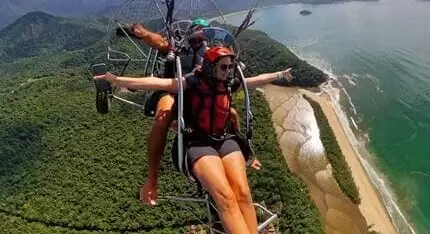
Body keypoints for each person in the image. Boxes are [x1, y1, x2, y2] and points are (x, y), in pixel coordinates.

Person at [94, 47, 293, 234]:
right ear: (211, 67)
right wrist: (115, 80)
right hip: (199, 143)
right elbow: (154, 83)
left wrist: (280, 74)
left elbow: (255, 81)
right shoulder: (191, 83)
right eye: (223, 67)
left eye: (230, 67)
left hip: (224, 139)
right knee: (225, 197)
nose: (228, 71)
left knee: (243, 193)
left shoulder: (229, 84)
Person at [122, 18, 211, 205]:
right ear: (192, 31)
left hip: (195, 95)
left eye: (205, 32)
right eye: (199, 31)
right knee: (164, 114)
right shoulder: (178, 46)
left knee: (227, 113)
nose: (201, 36)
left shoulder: (210, 53)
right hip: (170, 89)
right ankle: (152, 179)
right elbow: (160, 43)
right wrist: (144, 33)